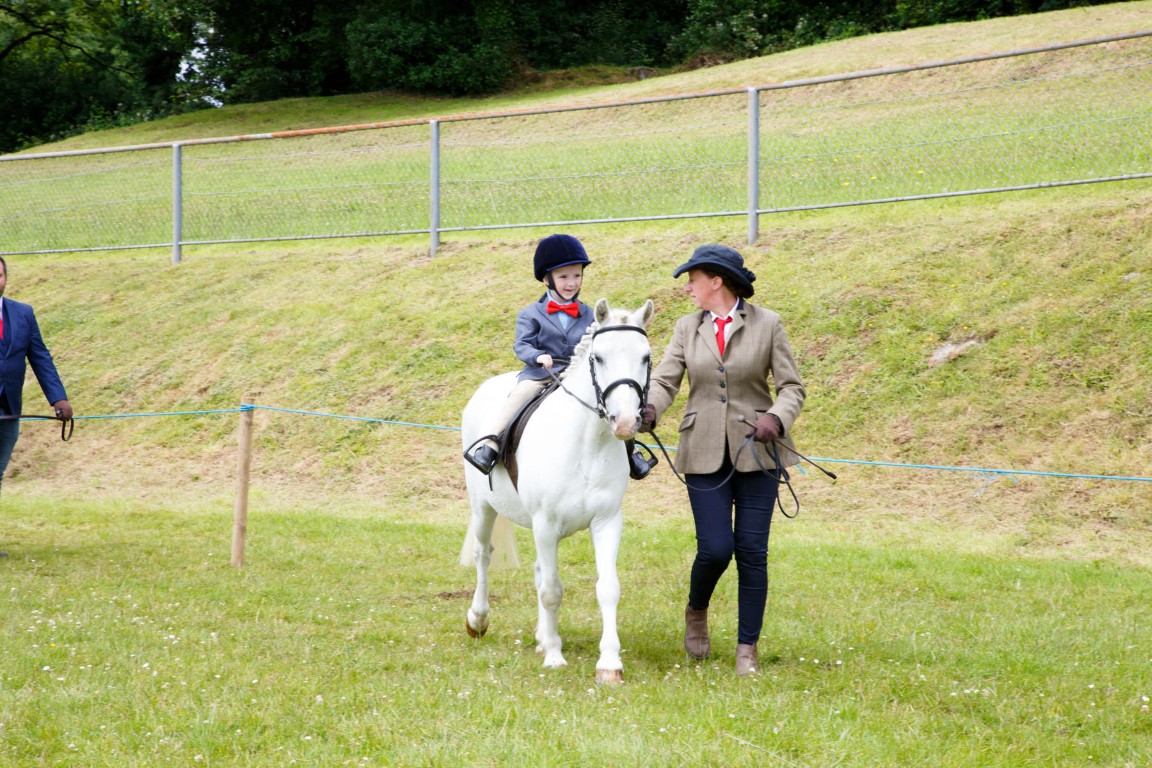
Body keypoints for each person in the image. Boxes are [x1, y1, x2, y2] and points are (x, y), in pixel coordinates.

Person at [641, 244, 805, 676]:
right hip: (702, 450)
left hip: (759, 451)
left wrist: (776, 417)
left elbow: (792, 387)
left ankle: (747, 649)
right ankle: (696, 610)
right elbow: (665, 381)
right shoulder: (686, 327)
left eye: (692, 280)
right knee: (715, 549)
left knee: (752, 552)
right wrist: (650, 408)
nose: (687, 288)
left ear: (716, 281)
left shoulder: (768, 324)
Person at [464, 234, 653, 480]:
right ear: (547, 279)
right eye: (564, 277)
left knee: (612, 400)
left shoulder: (591, 314)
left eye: (577, 276)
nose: (571, 283)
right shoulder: (530, 313)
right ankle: (491, 444)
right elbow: (522, 345)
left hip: (578, 375)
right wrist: (538, 356)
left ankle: (631, 451)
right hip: (542, 374)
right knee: (520, 395)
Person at [0, 256, 72, 557]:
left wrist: (58, 398)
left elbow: (40, 357)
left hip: (9, 409)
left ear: (6, 278)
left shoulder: (23, 313)